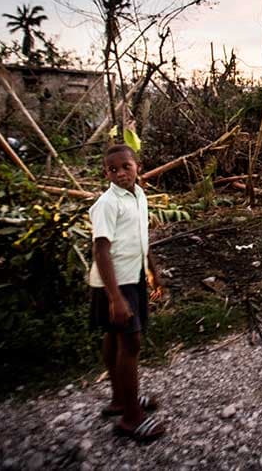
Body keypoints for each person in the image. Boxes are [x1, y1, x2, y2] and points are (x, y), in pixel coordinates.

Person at [89, 144, 166, 442]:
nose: (120, 173)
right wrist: (115, 298)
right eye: (113, 169)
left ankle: (120, 399)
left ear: (138, 166)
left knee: (114, 336)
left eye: (126, 166)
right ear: (105, 173)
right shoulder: (108, 203)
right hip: (114, 283)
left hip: (132, 278)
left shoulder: (139, 195)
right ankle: (131, 419)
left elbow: (141, 237)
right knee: (130, 344)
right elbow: (101, 250)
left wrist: (152, 270)